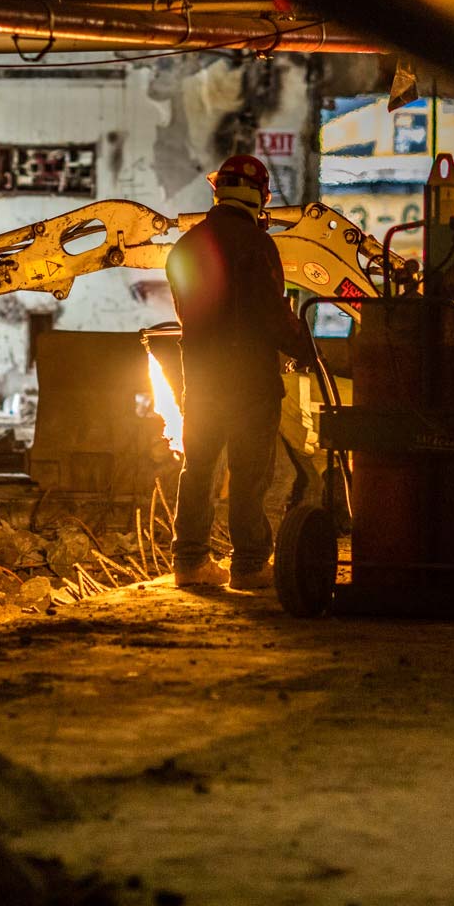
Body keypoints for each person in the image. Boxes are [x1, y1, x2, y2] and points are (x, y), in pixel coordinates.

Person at [165, 153, 312, 590]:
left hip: (203, 380)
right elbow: (271, 313)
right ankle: (248, 565)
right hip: (250, 383)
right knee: (249, 475)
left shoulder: (186, 246)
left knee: (198, 468)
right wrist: (304, 347)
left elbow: (186, 312)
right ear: (261, 196)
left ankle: (189, 561)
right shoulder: (257, 245)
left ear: (218, 191)